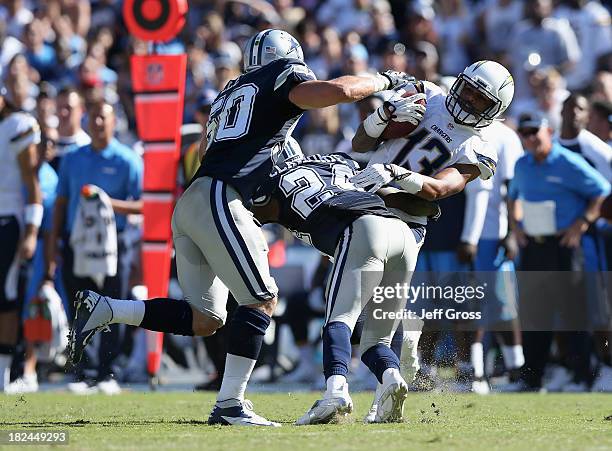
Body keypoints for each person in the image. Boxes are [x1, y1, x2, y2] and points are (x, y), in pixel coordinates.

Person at [67, 28, 414, 426]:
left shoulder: (228, 95)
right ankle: (230, 404)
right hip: (220, 197)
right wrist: (384, 79)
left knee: (205, 318)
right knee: (262, 299)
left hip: (195, 201)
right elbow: (334, 91)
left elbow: (204, 152)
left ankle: (107, 309)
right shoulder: (280, 76)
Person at [350, 60, 515, 399]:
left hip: (409, 219)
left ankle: (401, 368)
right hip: (365, 202)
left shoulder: (481, 147)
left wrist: (397, 174)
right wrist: (382, 116)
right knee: (355, 300)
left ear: (494, 110)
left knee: (394, 304)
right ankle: (372, 372)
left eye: (480, 100)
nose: (469, 102)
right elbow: (361, 142)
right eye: (468, 91)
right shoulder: (427, 95)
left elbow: (441, 189)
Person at [251, 147, 437, 424]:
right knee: (376, 341)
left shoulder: (268, 181)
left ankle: (335, 392)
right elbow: (407, 200)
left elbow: (252, 216)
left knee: (339, 320)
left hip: (362, 231)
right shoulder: (340, 159)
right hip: (403, 234)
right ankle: (392, 378)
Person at [507, 112, 610, 392]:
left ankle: (583, 377)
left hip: (563, 246)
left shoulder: (567, 161)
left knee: (573, 314)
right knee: (534, 315)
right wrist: (515, 226)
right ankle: (532, 379)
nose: (529, 138)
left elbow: (602, 190)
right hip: (534, 246)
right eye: (524, 133)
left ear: (548, 131)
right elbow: (513, 195)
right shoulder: (522, 164)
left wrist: (582, 223)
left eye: (534, 132)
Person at [45, 99, 142, 395]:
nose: (98, 123)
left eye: (104, 118)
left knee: (113, 307)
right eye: (94, 118)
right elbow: (61, 203)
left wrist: (107, 202)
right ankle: (84, 372)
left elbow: (142, 205)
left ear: (114, 123)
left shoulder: (127, 160)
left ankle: (108, 372)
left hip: (116, 245)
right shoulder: (73, 159)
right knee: (81, 308)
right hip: (78, 243)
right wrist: (53, 243)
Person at [459, 120, 525, 393]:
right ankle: (476, 373)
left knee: (501, 305)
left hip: (491, 234)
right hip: (462, 232)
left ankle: (516, 370)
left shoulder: (504, 136)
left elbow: (512, 188)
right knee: (465, 305)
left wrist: (511, 230)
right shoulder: (461, 128)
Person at [0, 85, 42, 393]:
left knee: (6, 296)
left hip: (8, 219)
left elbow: (32, 183)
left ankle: (2, 374)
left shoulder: (18, 125)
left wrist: (30, 232)